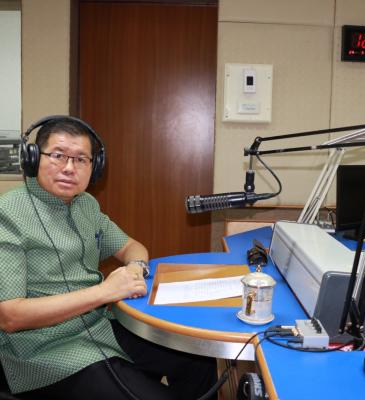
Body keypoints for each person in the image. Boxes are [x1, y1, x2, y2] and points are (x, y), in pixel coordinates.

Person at [0, 116, 217, 400]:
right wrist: (105, 292)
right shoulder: (9, 213)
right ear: (32, 159)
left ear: (95, 167)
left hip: (100, 327)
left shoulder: (85, 205)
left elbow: (132, 247)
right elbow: (10, 316)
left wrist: (136, 268)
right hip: (44, 351)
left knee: (199, 360)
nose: (69, 168)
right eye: (58, 155)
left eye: (81, 159)